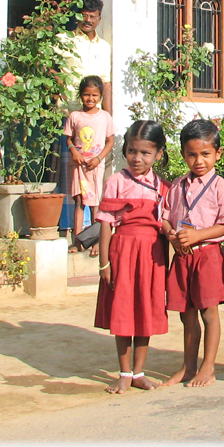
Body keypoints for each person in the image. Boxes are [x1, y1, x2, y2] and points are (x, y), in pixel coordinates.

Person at [94, 120, 170, 393]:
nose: (137, 158)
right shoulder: (115, 182)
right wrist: (105, 263)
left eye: (145, 153)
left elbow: (166, 226)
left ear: (158, 154)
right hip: (122, 252)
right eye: (131, 151)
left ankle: (139, 372)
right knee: (123, 312)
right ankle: (124, 372)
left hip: (151, 256)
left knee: (145, 311)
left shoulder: (163, 187)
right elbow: (105, 223)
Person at [162, 119, 224, 387]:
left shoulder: (220, 186)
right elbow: (165, 216)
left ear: (218, 153)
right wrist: (171, 234)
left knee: (208, 312)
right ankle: (188, 366)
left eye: (205, 154)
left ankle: (208, 367)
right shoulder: (178, 185)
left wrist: (197, 235)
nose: (198, 161)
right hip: (182, 256)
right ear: (183, 154)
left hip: (207, 255)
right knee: (186, 314)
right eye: (192, 155)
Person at [64, 75, 115, 256]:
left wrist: (99, 158)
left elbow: (110, 141)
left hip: (95, 167)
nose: (90, 99)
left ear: (100, 96)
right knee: (79, 202)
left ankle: (95, 242)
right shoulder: (75, 116)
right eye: (86, 95)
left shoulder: (105, 117)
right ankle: (77, 241)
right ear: (80, 95)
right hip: (78, 166)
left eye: (94, 95)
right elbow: (68, 138)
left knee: (95, 204)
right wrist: (74, 152)